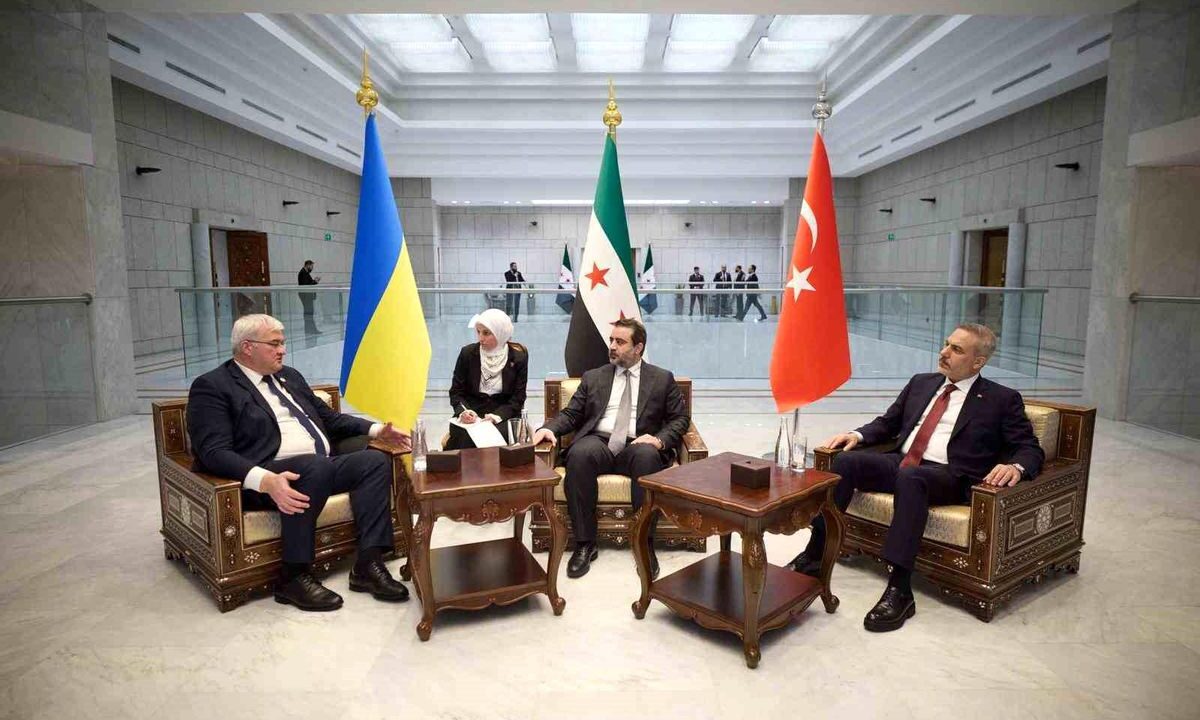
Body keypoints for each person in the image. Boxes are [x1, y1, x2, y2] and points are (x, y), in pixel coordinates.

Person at [786, 323, 1044, 632]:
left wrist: (1016, 467)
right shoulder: (922, 382)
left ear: (978, 362)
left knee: (911, 479)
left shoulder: (1001, 399)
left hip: (950, 475)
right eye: (946, 344)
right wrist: (857, 434)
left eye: (956, 349)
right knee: (846, 462)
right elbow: (888, 423)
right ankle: (816, 553)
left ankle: (900, 588)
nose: (944, 352)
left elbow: (1029, 447)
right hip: (903, 461)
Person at [186, 314, 412, 612]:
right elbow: (213, 451)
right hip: (263, 476)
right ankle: (293, 576)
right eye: (274, 344)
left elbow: (329, 418)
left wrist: (376, 430)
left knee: (373, 461)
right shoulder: (213, 386)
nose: (282, 350)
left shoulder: (289, 376)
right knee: (314, 467)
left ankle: (368, 565)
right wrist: (265, 480)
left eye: (283, 343)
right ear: (247, 347)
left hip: (318, 467)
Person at [531, 318, 689, 580]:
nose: (612, 346)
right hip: (600, 441)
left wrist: (659, 440)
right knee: (580, 454)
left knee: (647, 456)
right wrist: (550, 429)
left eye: (620, 342)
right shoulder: (594, 377)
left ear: (638, 348)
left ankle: (644, 543)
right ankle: (585, 544)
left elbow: (680, 419)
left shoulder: (662, 379)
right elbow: (572, 413)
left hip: (638, 443)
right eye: (611, 340)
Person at [445, 309, 529, 450]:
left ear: (500, 333)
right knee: (465, 437)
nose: (480, 338)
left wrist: (497, 416)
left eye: (486, 333)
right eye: (478, 332)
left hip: (503, 415)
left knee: (499, 436)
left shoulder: (518, 358)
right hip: (472, 414)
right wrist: (464, 412)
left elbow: (518, 398)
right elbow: (456, 392)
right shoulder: (467, 354)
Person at [297, 260, 320, 335]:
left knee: (309, 313)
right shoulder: (303, 273)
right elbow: (306, 285)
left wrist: (314, 281)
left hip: (307, 296)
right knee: (309, 313)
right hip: (306, 296)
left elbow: (308, 283)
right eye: (311, 266)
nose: (312, 268)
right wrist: (315, 282)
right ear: (308, 265)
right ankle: (310, 330)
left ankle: (311, 329)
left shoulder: (305, 273)